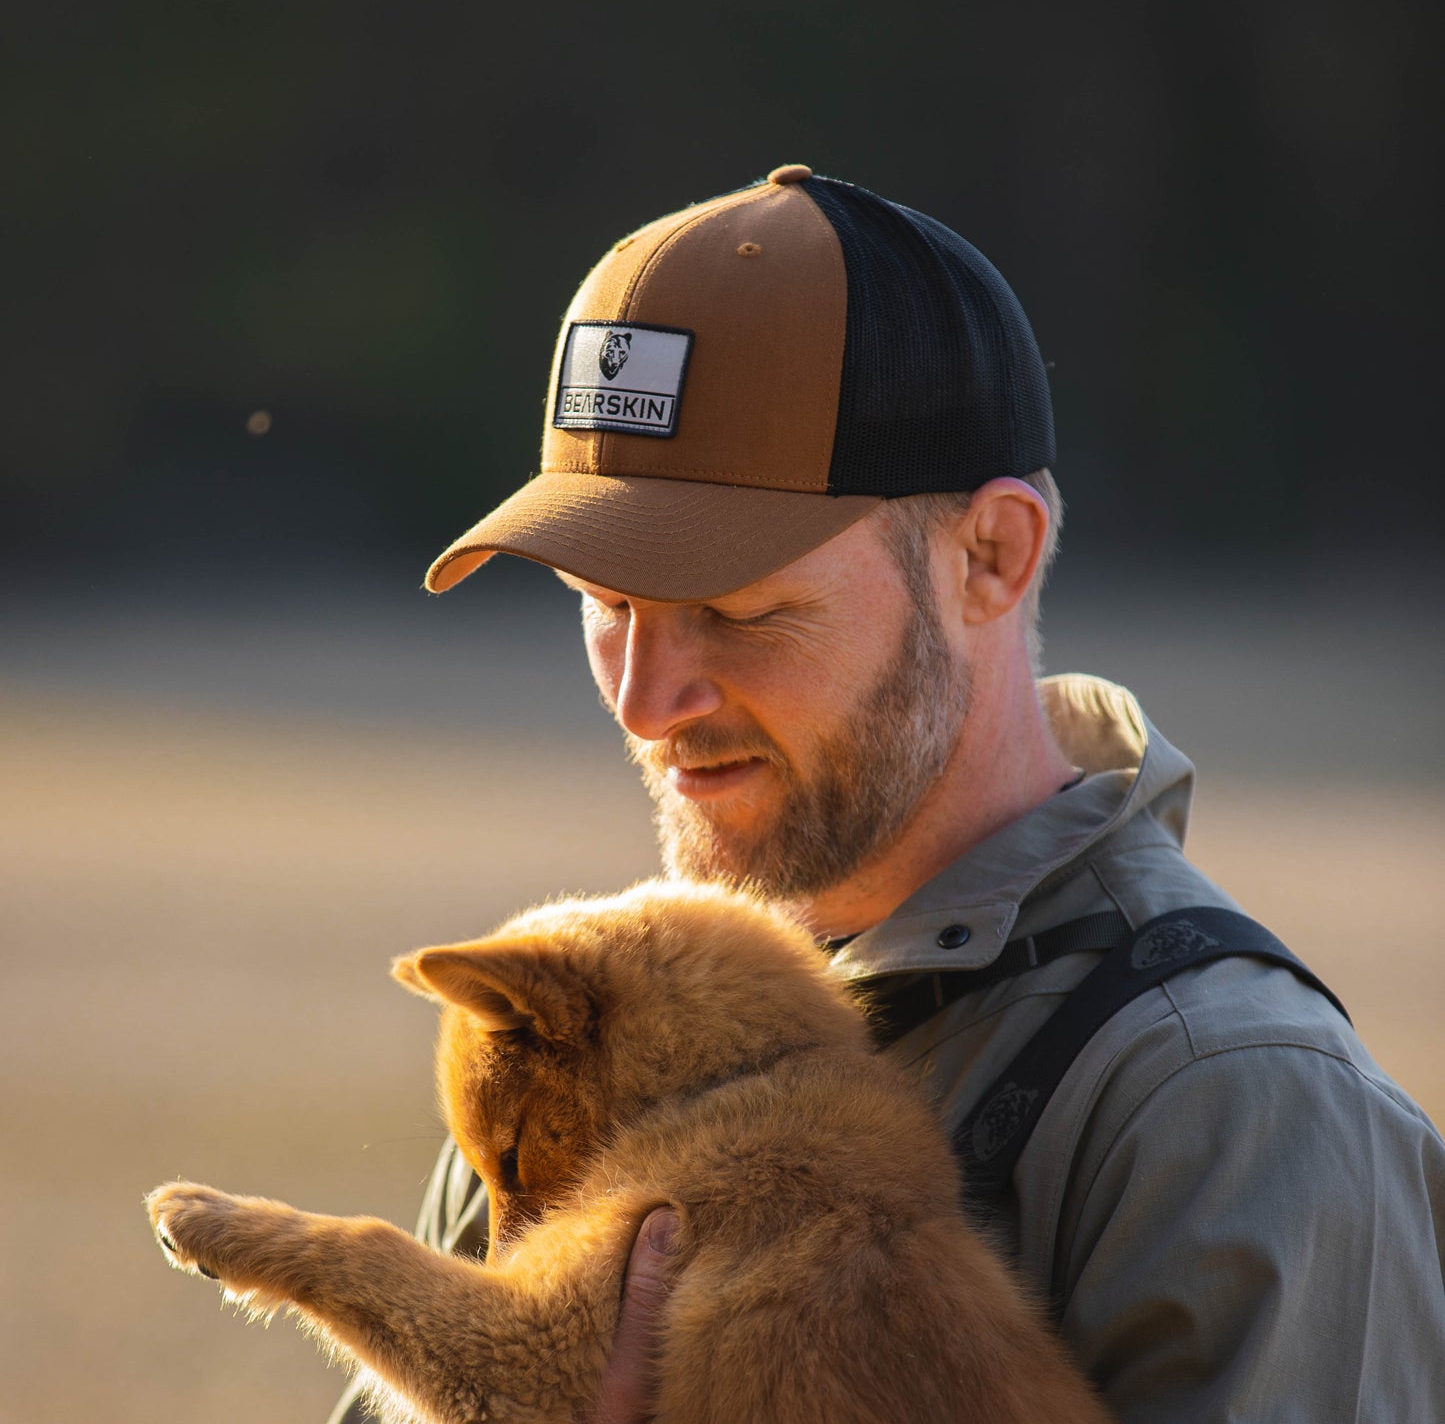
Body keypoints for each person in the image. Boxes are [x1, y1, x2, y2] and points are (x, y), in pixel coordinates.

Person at [330, 165, 1445, 1422]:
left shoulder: (1226, 1107)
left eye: (735, 610)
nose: (645, 702)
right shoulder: (582, 1038)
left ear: (990, 555)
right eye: (603, 605)